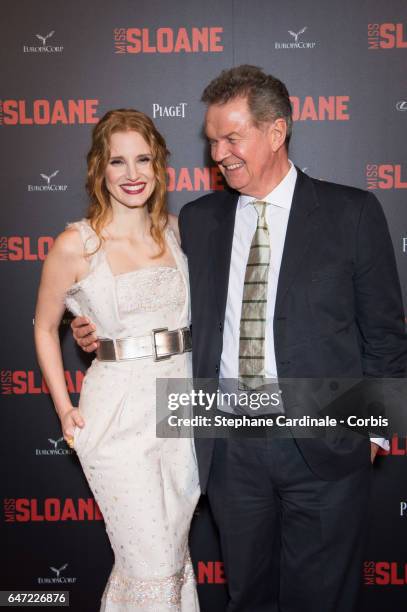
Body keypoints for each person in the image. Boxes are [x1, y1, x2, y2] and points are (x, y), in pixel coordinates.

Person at [72, 67, 407, 612]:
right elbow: (146, 290)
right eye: (211, 141)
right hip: (230, 452)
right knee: (247, 598)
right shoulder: (199, 222)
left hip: (326, 445)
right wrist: (98, 327)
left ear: (276, 133)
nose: (219, 153)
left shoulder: (352, 212)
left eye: (232, 138)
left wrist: (373, 435)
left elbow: (386, 337)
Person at [34, 109, 200, 612]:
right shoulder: (76, 245)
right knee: (149, 561)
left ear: (160, 165)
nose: (133, 174)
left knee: (170, 557)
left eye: (143, 159)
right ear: (99, 170)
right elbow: (44, 328)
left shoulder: (179, 232)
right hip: (116, 414)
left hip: (183, 409)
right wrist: (65, 409)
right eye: (118, 162)